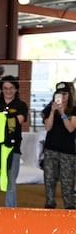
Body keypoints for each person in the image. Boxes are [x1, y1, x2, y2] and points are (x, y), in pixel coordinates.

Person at [0, 75, 28, 207]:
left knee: (10, 182)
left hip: (12, 148)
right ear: (1, 89)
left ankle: (10, 211)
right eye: (5, 88)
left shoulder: (21, 105)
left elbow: (19, 120)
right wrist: (8, 118)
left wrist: (0, 117)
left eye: (11, 88)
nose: (8, 91)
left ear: (16, 89)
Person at [41, 81, 76, 209]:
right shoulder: (50, 108)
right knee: (49, 180)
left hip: (67, 151)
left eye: (65, 93)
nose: (62, 96)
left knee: (68, 182)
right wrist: (52, 111)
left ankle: (69, 207)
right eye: (59, 93)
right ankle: (50, 204)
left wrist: (62, 113)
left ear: (70, 94)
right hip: (51, 149)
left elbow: (70, 128)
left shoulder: (74, 109)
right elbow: (48, 127)